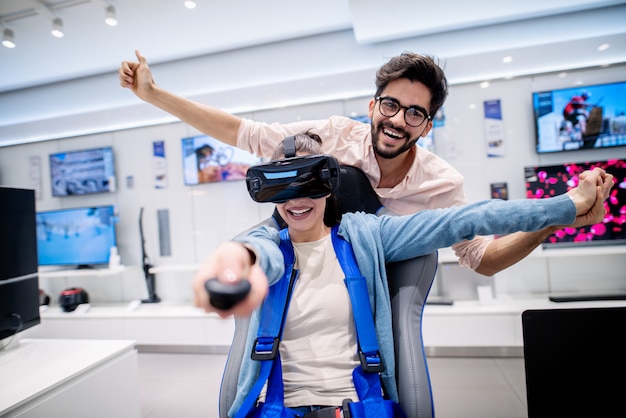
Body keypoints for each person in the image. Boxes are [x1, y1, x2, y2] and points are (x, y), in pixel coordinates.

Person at [191, 133, 606, 417]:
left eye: (311, 182)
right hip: (274, 404)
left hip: (354, 404)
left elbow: (467, 218)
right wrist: (233, 259)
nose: (298, 200)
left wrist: (566, 205)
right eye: (285, 187)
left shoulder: (366, 235)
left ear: (330, 186)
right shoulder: (266, 242)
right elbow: (252, 254)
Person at [119, 50, 614, 276]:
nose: (399, 120)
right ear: (373, 105)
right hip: (298, 251)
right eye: (391, 105)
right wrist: (154, 95)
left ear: (428, 124)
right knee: (268, 233)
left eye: (416, 112)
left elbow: (481, 258)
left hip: (369, 262)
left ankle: (563, 205)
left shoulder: (441, 181)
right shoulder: (334, 135)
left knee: (446, 215)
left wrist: (554, 219)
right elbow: (242, 133)